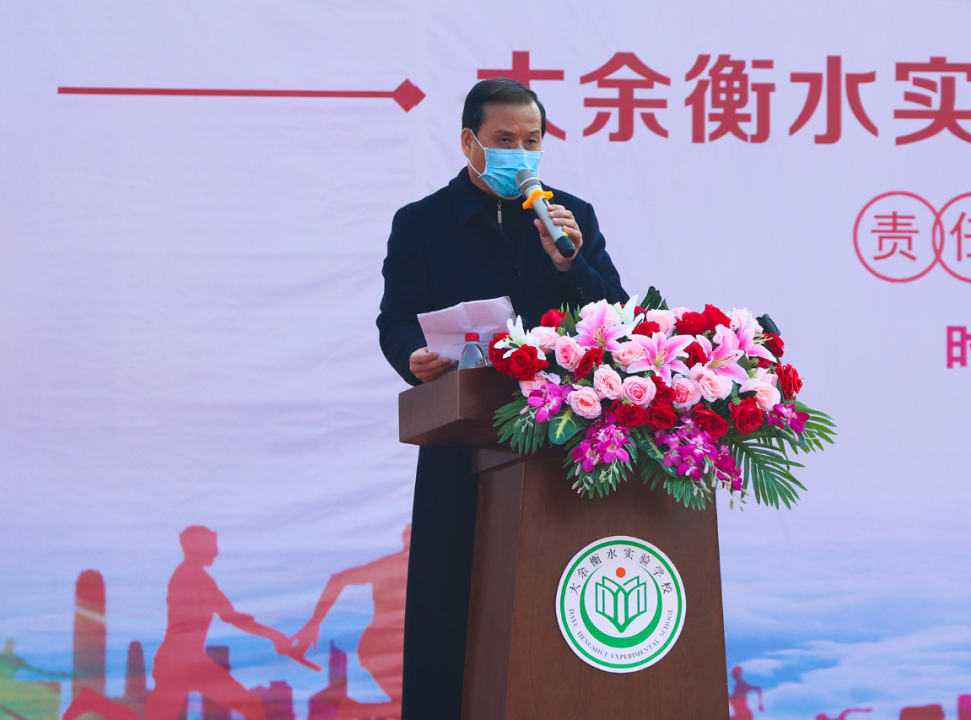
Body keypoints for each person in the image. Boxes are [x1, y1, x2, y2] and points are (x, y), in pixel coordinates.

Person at [376, 78, 628, 720]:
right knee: (450, 603)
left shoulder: (569, 217)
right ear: (470, 143)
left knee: (549, 598)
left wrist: (571, 265)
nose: (521, 153)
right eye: (505, 140)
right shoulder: (421, 223)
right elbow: (396, 318)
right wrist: (412, 356)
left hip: (557, 442)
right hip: (462, 441)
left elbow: (617, 319)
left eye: (532, 140)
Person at [62, 526, 315, 720]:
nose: (216, 551)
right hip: (179, 665)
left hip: (188, 663)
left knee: (252, 707)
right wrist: (274, 636)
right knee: (253, 707)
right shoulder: (191, 577)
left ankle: (92, 701)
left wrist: (274, 636)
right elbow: (232, 617)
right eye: (212, 545)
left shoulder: (199, 577)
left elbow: (232, 616)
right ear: (197, 548)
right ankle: (93, 701)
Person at [291, 525, 411, 720]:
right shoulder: (386, 567)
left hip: (389, 647)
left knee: (405, 705)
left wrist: (315, 622)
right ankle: (352, 710)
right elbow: (338, 579)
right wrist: (315, 622)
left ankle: (352, 710)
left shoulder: (393, 568)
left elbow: (338, 580)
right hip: (382, 647)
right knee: (406, 705)